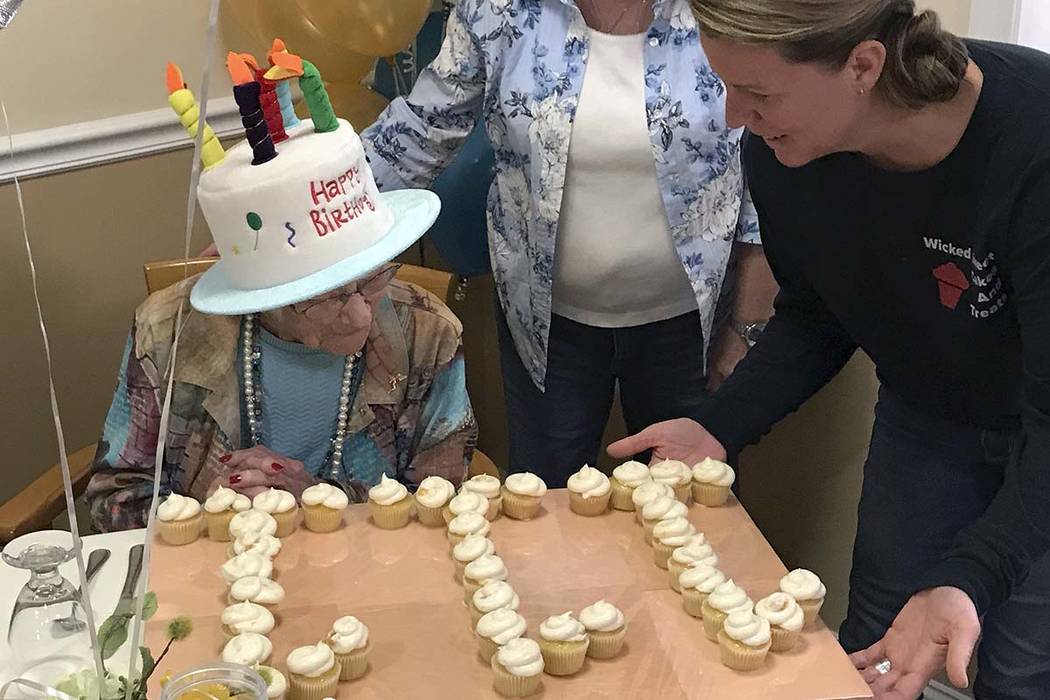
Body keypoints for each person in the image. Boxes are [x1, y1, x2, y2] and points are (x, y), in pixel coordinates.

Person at [608, 1, 1050, 697]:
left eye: (756, 92)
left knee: (1019, 663)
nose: (731, 116)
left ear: (864, 66)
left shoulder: (1033, 144)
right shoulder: (785, 152)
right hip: (926, 421)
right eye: (725, 85)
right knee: (877, 643)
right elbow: (818, 316)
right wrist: (719, 424)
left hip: (1041, 434)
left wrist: (969, 578)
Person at [361, 0, 778, 487]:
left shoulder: (725, 11)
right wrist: (319, 207)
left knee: (690, 516)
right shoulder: (498, 10)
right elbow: (420, 131)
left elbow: (766, 176)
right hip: (547, 333)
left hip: (692, 334)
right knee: (545, 511)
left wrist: (747, 330)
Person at [87, 257, 476, 532]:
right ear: (264, 293)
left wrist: (320, 500)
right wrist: (204, 515)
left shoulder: (427, 332)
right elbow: (114, 500)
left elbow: (444, 501)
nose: (362, 317)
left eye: (371, 279)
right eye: (329, 295)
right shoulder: (170, 328)